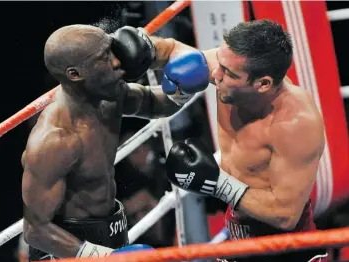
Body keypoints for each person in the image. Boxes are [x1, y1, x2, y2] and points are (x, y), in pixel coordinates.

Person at [127, 19, 328, 261]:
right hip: (238, 233)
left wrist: (216, 183)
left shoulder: (295, 124)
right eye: (219, 63)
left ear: (263, 84)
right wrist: (142, 48)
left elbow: (285, 216)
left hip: (285, 249)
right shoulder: (227, 69)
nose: (214, 74)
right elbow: (170, 49)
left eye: (228, 73)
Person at [21, 24, 210, 261]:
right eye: (104, 58)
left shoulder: (107, 96)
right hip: (67, 249)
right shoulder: (55, 141)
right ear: (75, 74)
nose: (117, 61)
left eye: (112, 50)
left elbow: (152, 103)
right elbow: (35, 230)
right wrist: (106, 257)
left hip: (111, 231)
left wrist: (182, 90)